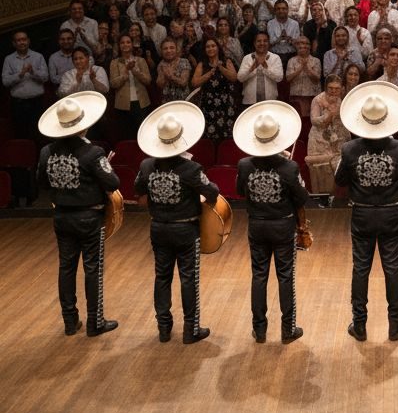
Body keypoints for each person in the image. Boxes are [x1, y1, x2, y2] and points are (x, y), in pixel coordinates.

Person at [336, 81, 398, 342]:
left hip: (361, 214)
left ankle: (359, 325)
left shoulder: (349, 149)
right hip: (391, 213)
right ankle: (395, 324)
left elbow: (339, 181)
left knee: (360, 269)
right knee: (392, 269)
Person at [135, 102, 220, 344]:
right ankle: (190, 329)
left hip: (158, 227)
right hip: (185, 228)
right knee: (188, 278)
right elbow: (212, 192)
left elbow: (139, 195)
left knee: (161, 277)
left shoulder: (146, 165)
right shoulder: (191, 168)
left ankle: (163, 328)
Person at [36, 92, 120, 336]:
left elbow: (42, 184)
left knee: (66, 267)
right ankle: (95, 322)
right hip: (90, 218)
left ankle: (70, 322)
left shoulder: (46, 151)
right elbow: (112, 182)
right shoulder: (93, 153)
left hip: (61, 216)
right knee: (93, 268)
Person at [234, 101, 307, 343]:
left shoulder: (245, 165)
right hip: (283, 226)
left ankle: (260, 329)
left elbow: (239, 190)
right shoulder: (289, 166)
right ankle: (288, 329)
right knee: (285, 276)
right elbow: (302, 197)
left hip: (256, 224)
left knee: (259, 275)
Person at [306, 74, 349, 196]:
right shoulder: (318, 100)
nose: (334, 91)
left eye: (337, 88)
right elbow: (314, 120)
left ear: (341, 89)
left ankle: (339, 198)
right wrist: (329, 115)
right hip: (319, 141)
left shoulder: (342, 100)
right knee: (321, 170)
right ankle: (321, 198)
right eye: (331, 88)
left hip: (338, 140)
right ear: (325, 87)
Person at [2, 31, 48, 143]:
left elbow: (45, 77)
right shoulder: (9, 59)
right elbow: (5, 82)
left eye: (24, 39)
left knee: (40, 135)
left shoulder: (38, 56)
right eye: (19, 40)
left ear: (28, 41)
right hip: (18, 104)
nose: (22, 42)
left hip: (37, 103)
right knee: (21, 135)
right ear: (14, 43)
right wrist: (21, 74)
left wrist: (33, 72)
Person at [191, 38, 238, 141]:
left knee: (226, 134)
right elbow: (194, 83)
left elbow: (234, 77)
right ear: (204, 49)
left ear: (217, 48)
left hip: (226, 103)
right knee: (209, 135)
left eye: (213, 46)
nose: (210, 48)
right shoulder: (202, 64)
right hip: (208, 103)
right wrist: (209, 73)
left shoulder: (226, 60)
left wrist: (220, 67)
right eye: (208, 47)